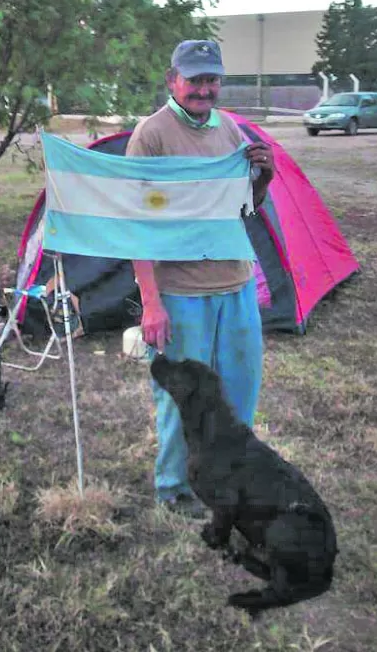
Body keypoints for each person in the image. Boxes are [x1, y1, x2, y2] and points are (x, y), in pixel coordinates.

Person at [126, 38, 275, 515]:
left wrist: (263, 179)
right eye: (195, 79)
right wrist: (151, 302)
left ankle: (230, 475)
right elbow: (135, 223)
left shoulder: (229, 129)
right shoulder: (150, 135)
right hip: (181, 292)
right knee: (182, 395)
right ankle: (175, 487)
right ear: (173, 80)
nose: (204, 89)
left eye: (212, 79)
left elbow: (243, 209)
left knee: (239, 389)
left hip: (235, 285)